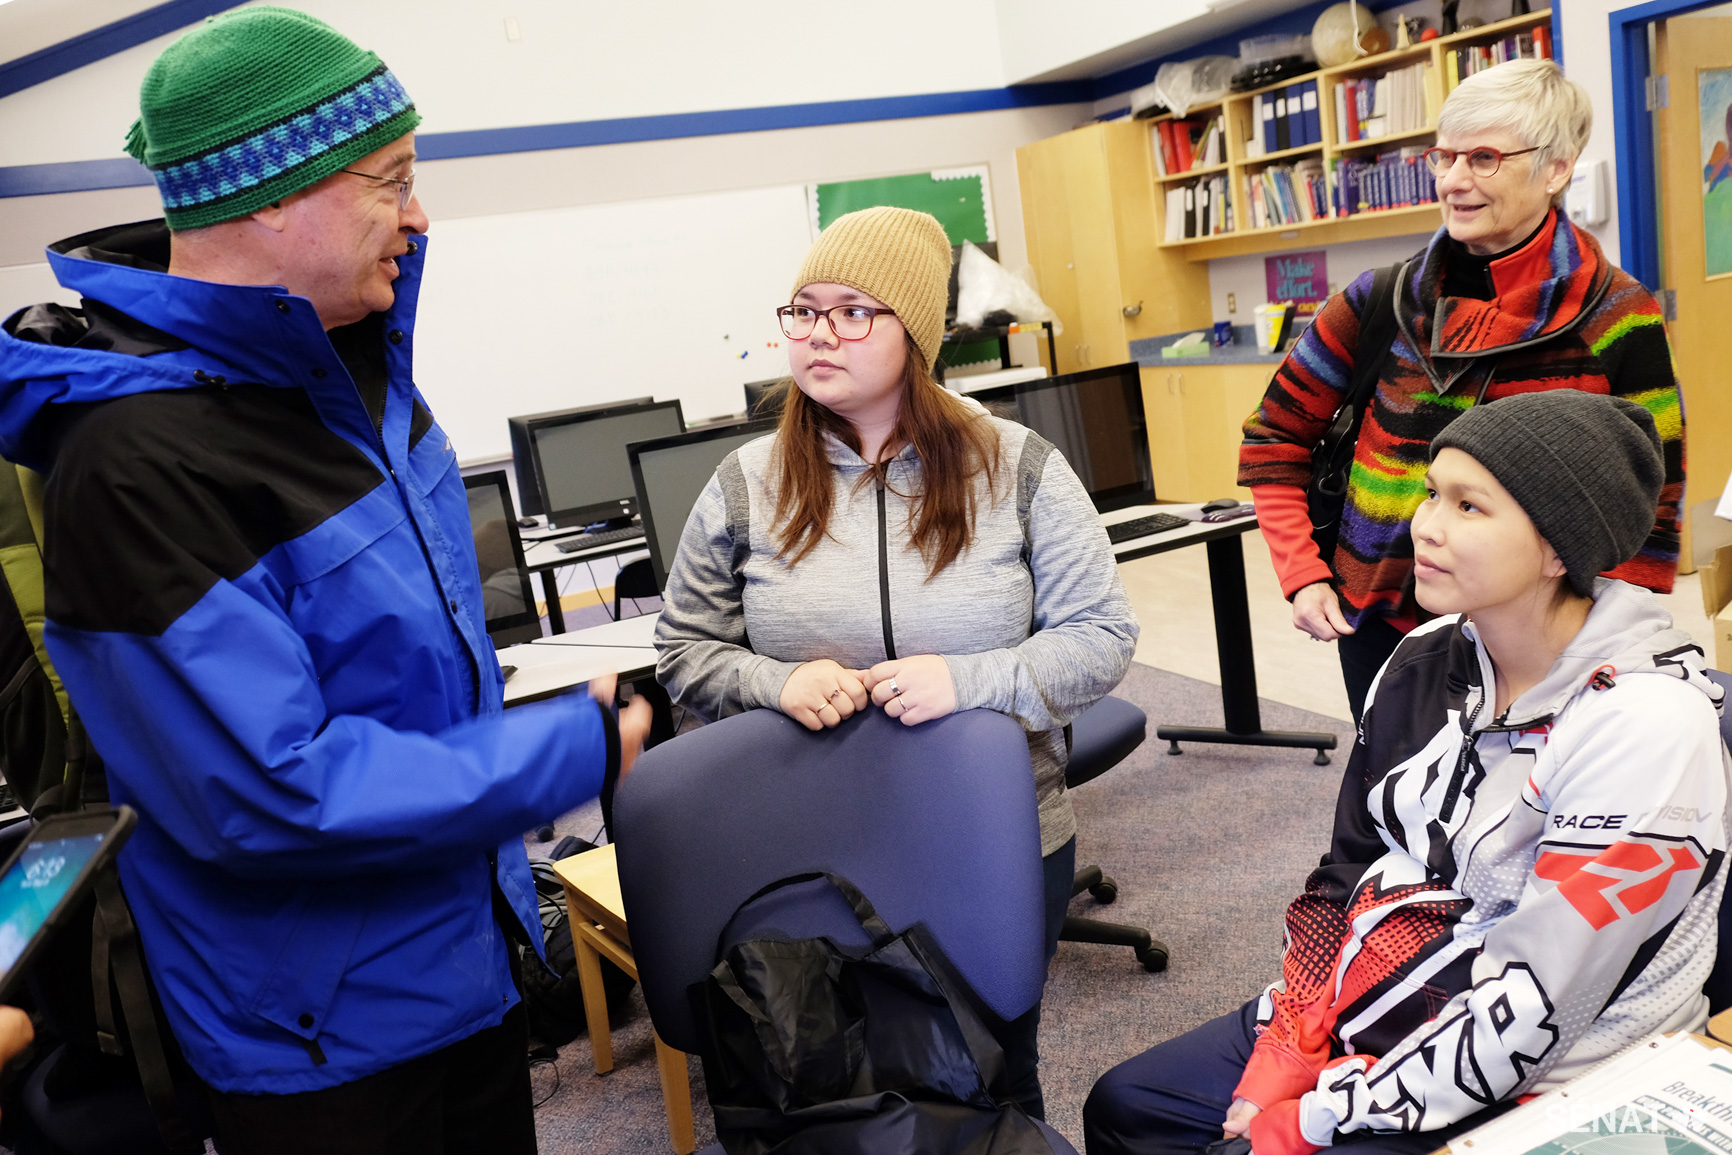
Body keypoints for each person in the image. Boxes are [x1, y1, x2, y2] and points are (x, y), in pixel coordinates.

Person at [0, 9, 650, 1151]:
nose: (419, 214)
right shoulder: (137, 462)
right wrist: (567, 749)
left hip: (457, 958)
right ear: (268, 194)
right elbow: (270, 793)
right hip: (317, 1037)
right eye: (389, 180)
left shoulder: (355, 380)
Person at [1086, 390, 1729, 1155]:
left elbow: (1534, 1010)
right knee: (1127, 1105)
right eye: (1431, 492)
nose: (1424, 523)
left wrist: (1321, 1112)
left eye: (1469, 506)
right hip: (1393, 993)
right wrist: (1290, 1038)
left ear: (1560, 547)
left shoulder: (1646, 726)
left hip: (1555, 1066)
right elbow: (1349, 864)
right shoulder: (1426, 656)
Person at [653, 205, 1139, 1117]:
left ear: (915, 332)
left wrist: (969, 680)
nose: (817, 335)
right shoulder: (743, 483)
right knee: (826, 1077)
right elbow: (682, 649)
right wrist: (775, 681)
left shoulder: (1020, 467)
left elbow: (1101, 636)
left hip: (994, 829)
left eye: (851, 311)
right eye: (803, 310)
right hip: (805, 836)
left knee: (993, 1068)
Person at [1238, 59, 1683, 725]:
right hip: (1382, 624)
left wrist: (1621, 630)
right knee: (1397, 800)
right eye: (1443, 157)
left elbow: (1657, 487)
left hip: (1549, 638)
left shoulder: (1616, 312)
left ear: (1557, 168)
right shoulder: (1378, 299)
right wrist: (1301, 572)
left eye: (1481, 158)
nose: (1452, 181)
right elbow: (1275, 433)